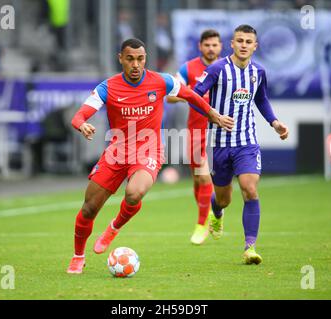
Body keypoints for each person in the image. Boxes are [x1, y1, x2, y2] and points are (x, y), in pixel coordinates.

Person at [66, 38, 234, 274]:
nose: (136, 64)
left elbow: (191, 95)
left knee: (134, 194)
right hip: (117, 151)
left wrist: (212, 114)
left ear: (145, 59)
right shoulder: (108, 87)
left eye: (140, 59)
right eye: (130, 59)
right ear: (121, 59)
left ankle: (113, 228)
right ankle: (77, 256)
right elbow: (79, 115)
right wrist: (82, 124)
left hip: (149, 150)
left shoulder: (162, 81)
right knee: (89, 209)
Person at [194, 25, 289, 265]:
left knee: (249, 188)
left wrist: (274, 122)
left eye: (249, 41)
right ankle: (217, 211)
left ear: (255, 46)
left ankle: (250, 247)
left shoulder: (258, 72)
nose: (244, 45)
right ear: (232, 44)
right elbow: (194, 96)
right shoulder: (217, 69)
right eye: (240, 40)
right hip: (220, 144)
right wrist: (213, 115)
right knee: (224, 198)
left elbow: (262, 99)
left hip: (247, 143)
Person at [167, 29, 223, 245]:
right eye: (207, 45)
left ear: (220, 47)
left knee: (206, 176)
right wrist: (189, 94)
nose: (211, 48)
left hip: (218, 130)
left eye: (215, 45)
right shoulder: (188, 68)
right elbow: (171, 96)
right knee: (198, 179)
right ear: (200, 46)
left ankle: (202, 224)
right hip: (196, 130)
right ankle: (212, 212)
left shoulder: (227, 68)